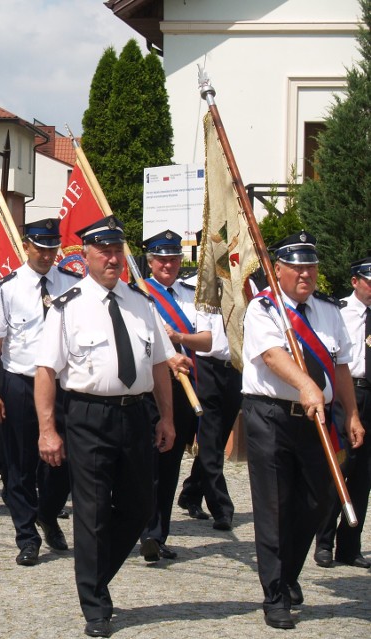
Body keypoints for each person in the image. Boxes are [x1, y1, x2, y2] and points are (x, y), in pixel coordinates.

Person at [34, 216, 177, 638]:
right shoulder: (67, 307)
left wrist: (166, 416)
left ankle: (96, 577)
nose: (113, 259)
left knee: (139, 507)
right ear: (87, 257)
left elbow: (160, 365)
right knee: (93, 512)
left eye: (117, 251)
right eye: (104, 252)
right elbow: (46, 372)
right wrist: (47, 429)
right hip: (88, 416)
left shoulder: (140, 302)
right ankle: (95, 604)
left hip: (136, 415)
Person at [241, 231, 363, 630]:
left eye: (310, 266)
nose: (305, 274)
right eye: (296, 266)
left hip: (318, 419)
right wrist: (306, 384)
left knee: (318, 500)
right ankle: (275, 595)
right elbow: (273, 357)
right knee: (275, 506)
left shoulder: (329, 311)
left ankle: (289, 573)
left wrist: (351, 413)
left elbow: (341, 365)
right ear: (279, 269)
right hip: (271, 416)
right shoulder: (265, 309)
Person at [0, 218, 78, 566]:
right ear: (26, 246)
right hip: (20, 381)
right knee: (19, 465)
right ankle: (27, 535)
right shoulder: (7, 288)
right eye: (41, 247)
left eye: (53, 247)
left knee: (62, 460)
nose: (48, 254)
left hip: (62, 385)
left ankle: (48, 514)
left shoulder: (73, 285)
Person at [138, 230, 212, 562]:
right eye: (161, 259)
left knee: (170, 462)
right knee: (145, 462)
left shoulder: (190, 295)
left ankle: (157, 533)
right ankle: (139, 527)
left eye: (173, 259)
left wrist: (178, 336)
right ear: (150, 262)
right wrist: (164, 349)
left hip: (184, 385)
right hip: (149, 386)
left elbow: (207, 341)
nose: (168, 265)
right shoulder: (139, 294)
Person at [314, 255, 371, 569]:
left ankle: (350, 546)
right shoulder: (340, 312)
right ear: (355, 281)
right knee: (340, 469)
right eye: (369, 281)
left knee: (364, 477)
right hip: (348, 395)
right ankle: (323, 542)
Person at [176, 299, 242, 530]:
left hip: (235, 369)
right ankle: (222, 507)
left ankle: (192, 490)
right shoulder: (201, 290)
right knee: (211, 439)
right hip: (206, 367)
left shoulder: (249, 289)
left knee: (217, 439)